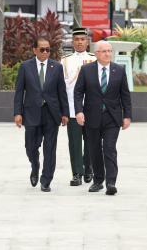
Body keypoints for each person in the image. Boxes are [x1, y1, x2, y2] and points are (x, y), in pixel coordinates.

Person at [74, 40, 132, 195]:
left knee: (109, 148)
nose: (108, 54)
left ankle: (111, 182)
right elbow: (78, 92)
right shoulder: (86, 70)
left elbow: (125, 96)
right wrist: (78, 111)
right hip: (92, 116)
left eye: (109, 51)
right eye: (104, 51)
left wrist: (127, 116)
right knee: (94, 150)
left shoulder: (119, 70)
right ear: (97, 54)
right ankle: (98, 181)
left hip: (112, 117)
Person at [14, 37, 69, 192]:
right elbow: (19, 92)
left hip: (51, 113)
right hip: (31, 112)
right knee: (31, 147)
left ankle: (46, 180)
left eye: (48, 49)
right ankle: (35, 166)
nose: (45, 52)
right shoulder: (25, 67)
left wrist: (64, 113)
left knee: (50, 148)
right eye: (42, 49)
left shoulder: (57, 67)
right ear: (34, 50)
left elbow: (61, 92)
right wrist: (17, 112)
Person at [60, 28, 96, 186]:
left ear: (87, 42)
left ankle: (88, 168)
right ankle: (77, 173)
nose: (80, 42)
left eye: (83, 39)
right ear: (72, 42)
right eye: (77, 39)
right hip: (72, 108)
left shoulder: (94, 58)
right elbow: (62, 85)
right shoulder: (65, 60)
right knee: (74, 141)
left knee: (91, 140)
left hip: (91, 107)